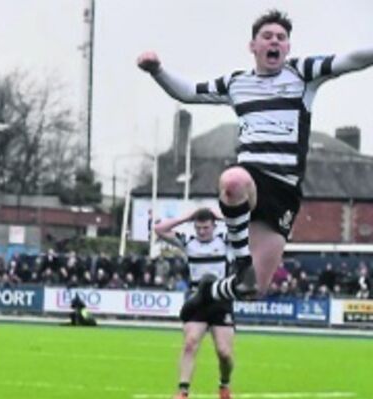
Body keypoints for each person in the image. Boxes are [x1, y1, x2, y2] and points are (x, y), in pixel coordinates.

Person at [138, 9, 373, 320]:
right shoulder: (237, 83)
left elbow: (351, 60)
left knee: (253, 288)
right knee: (233, 181)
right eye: (267, 36)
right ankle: (240, 259)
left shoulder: (302, 74)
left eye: (281, 38)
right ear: (253, 46)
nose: (275, 41)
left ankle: (209, 292)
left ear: (287, 47)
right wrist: (157, 70)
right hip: (251, 177)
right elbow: (189, 92)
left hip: (285, 189)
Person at [154, 208, 235, 399]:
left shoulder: (225, 240)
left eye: (206, 228)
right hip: (197, 300)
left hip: (221, 301)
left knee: (224, 353)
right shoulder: (188, 242)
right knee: (190, 344)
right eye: (198, 228)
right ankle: (183, 391)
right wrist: (186, 217)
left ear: (214, 226)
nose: (202, 232)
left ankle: (224, 384)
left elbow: (249, 228)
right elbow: (159, 229)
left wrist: (221, 216)